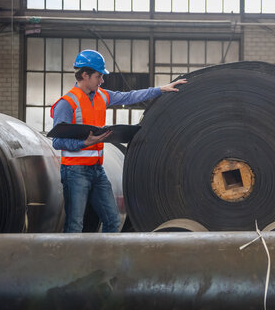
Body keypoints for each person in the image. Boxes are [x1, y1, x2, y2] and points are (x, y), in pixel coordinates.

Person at [51, 49, 187, 233]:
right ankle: (73, 262)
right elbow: (57, 142)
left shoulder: (102, 96)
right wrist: (84, 144)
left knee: (113, 221)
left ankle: (106, 259)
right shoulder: (66, 103)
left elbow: (130, 96)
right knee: (75, 225)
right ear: (85, 75)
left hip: (98, 170)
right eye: (99, 76)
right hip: (75, 172)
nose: (102, 80)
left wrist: (161, 89)